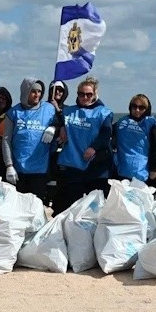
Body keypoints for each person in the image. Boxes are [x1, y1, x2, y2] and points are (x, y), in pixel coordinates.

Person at [54, 77, 113, 214]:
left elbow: (106, 133)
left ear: (95, 94)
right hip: (73, 166)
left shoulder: (103, 112)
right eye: (81, 94)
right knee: (73, 207)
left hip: (95, 168)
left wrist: (94, 147)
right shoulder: (68, 112)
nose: (85, 97)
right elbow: (56, 120)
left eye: (89, 94)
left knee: (95, 208)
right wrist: (61, 126)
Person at [1, 78, 59, 200]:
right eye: (33, 91)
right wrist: (9, 165)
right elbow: (6, 139)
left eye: (39, 91)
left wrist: (54, 127)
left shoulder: (49, 109)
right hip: (19, 170)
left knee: (36, 207)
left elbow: (61, 125)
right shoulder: (14, 112)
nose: (37, 94)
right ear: (26, 91)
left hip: (40, 170)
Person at [113, 93, 156, 186]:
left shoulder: (152, 123)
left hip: (143, 172)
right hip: (122, 171)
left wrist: (154, 169)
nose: (137, 110)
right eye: (134, 106)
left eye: (141, 107)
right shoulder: (121, 122)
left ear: (147, 109)